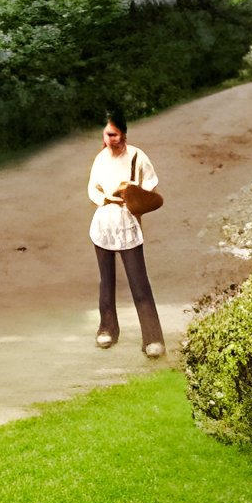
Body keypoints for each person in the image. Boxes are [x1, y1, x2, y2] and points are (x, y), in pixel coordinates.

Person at [88, 104, 166, 356]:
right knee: (106, 280)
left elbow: (151, 191)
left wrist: (134, 200)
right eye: (107, 135)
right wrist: (104, 201)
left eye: (115, 134)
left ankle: (152, 338)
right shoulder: (100, 159)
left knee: (138, 280)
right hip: (103, 222)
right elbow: (92, 189)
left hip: (127, 221)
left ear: (123, 133)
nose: (110, 139)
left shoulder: (137, 157)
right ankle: (107, 328)